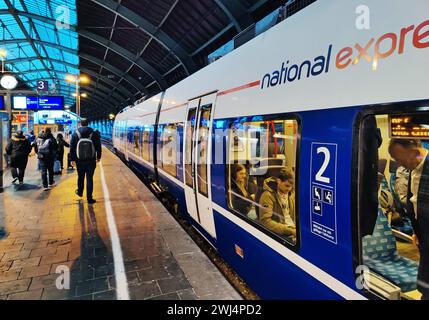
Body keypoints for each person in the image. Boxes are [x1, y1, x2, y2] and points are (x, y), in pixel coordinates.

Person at [388, 138, 429, 300]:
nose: (400, 164)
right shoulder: (414, 168)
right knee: (424, 283)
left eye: (400, 160)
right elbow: (415, 201)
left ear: (414, 153)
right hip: (424, 236)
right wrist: (417, 230)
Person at [259, 167, 296, 241]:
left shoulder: (291, 193)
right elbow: (265, 221)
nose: (289, 189)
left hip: (293, 228)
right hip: (280, 232)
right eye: (287, 185)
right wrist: (289, 231)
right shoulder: (267, 195)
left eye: (291, 186)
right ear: (279, 181)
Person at [70, 119, 102, 204]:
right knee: (89, 178)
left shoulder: (75, 133)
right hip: (91, 160)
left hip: (79, 160)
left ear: (80, 124)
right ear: (88, 124)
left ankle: (80, 192)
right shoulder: (94, 133)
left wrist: (72, 159)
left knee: (80, 177)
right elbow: (98, 146)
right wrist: (98, 157)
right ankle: (89, 198)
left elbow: (72, 147)